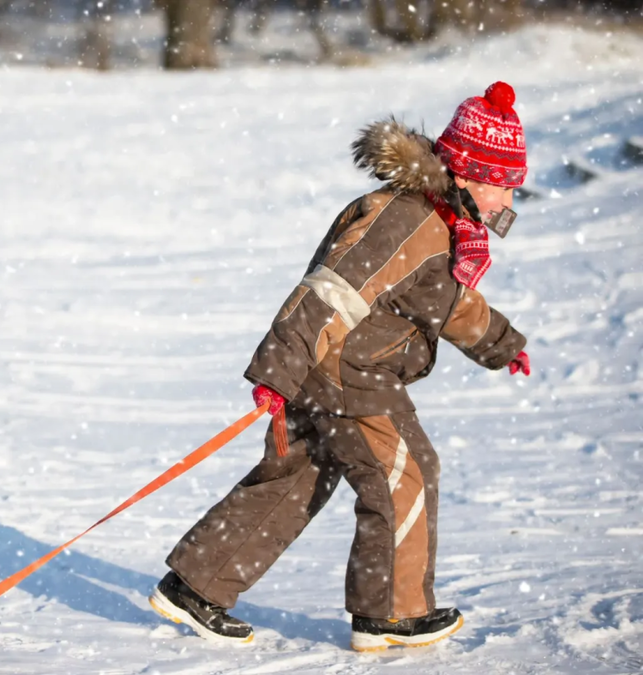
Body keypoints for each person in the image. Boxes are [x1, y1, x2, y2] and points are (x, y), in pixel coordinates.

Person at [149, 82, 531, 652]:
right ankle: (391, 614)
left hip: (335, 367)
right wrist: (278, 373)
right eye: (502, 185)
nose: (506, 201)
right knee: (406, 472)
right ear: (468, 172)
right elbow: (329, 292)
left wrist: (502, 343)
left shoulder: (438, 223)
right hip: (350, 372)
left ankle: (196, 587)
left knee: (298, 477)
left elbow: (443, 302)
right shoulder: (403, 221)